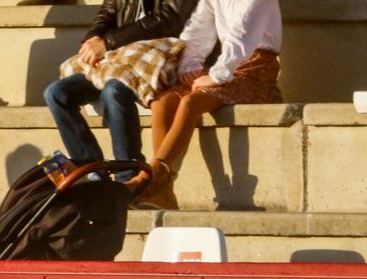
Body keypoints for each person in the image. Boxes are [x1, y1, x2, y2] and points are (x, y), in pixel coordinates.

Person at [124, 0, 282, 209]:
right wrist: (190, 66)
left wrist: (217, 76)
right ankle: (163, 189)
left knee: (191, 102)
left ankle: (149, 176)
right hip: (227, 64)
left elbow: (242, 36)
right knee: (163, 101)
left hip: (256, 70)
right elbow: (197, 30)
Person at [42, 0, 197, 182]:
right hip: (118, 57)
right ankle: (92, 171)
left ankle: (128, 176)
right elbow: (107, 14)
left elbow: (169, 20)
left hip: (160, 57)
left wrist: (107, 42)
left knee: (113, 90)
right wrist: (93, 41)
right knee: (56, 93)